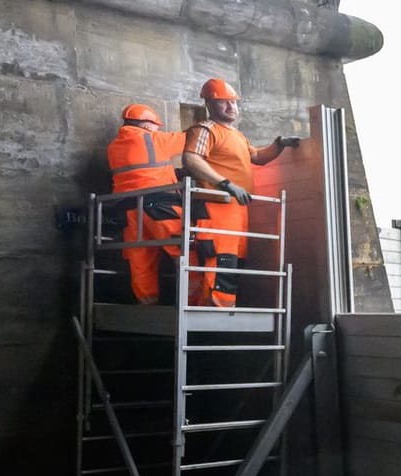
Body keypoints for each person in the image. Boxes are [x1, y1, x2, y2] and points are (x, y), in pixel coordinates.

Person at [180, 78, 301, 307]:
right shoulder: (206, 130)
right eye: (224, 102)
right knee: (218, 258)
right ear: (209, 104)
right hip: (216, 208)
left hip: (236, 211)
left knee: (233, 260)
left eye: (233, 103)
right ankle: (212, 311)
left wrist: (279, 144)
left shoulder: (237, 135)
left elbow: (257, 157)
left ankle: (223, 309)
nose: (231, 107)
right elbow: (191, 159)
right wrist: (225, 184)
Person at [104, 104, 188, 304]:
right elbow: (192, 138)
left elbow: (139, 171)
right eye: (157, 126)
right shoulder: (154, 139)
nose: (159, 130)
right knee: (185, 250)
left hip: (128, 210)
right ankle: (192, 301)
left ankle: (147, 304)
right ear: (147, 125)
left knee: (141, 259)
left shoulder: (114, 146)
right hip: (160, 205)